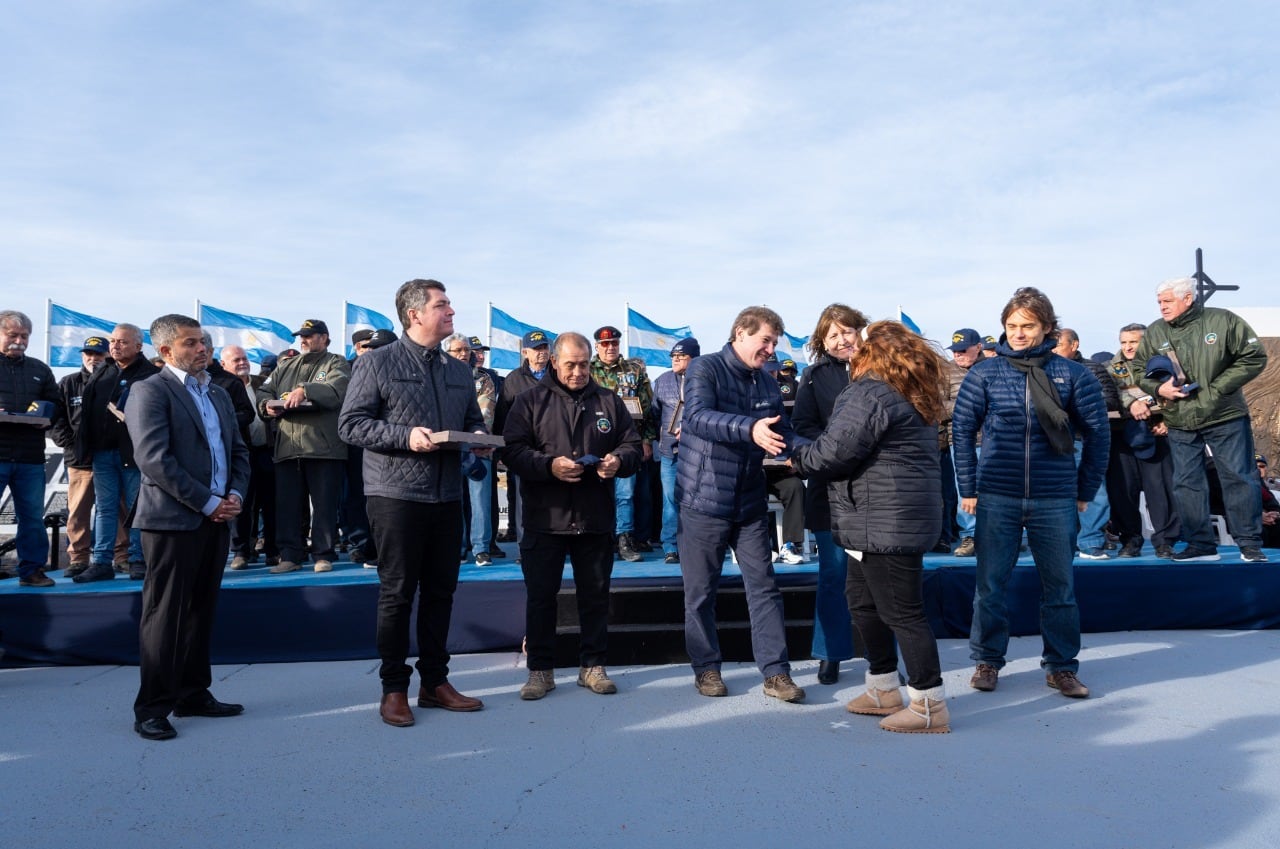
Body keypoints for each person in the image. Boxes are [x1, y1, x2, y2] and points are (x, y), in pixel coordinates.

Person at [339, 278, 489, 727]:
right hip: (395, 495)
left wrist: (479, 437)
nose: (451, 312)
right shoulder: (378, 362)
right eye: (442, 305)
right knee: (397, 594)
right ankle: (393, 688)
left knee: (442, 592)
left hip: (446, 494)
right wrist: (405, 436)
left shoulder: (460, 370)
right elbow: (351, 425)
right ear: (414, 314)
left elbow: (472, 419)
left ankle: (435, 682)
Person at [792, 320, 950, 732]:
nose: (851, 351)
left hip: (886, 521)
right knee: (863, 603)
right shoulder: (908, 390)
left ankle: (929, 704)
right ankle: (883, 687)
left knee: (902, 613)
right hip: (875, 519)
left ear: (872, 353)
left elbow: (834, 451)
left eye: (858, 345)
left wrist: (794, 457)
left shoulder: (871, 391)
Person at [953, 287, 1109, 699]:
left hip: (1054, 497)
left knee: (1060, 587)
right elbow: (963, 431)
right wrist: (968, 487)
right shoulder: (984, 373)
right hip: (997, 496)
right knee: (990, 585)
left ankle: (1061, 666)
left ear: (1047, 328)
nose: (1018, 333)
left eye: (1028, 326)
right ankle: (988, 660)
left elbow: (1098, 434)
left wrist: (1085, 489)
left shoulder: (1074, 375)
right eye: (1011, 326)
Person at [127, 314, 250, 740]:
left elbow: (238, 450)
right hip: (172, 521)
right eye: (192, 343)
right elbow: (154, 459)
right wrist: (208, 501)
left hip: (216, 519)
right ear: (165, 351)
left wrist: (234, 495)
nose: (203, 349)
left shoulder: (216, 394)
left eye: (205, 342)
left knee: (201, 610)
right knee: (165, 615)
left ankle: (194, 693)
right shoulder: (149, 391)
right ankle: (153, 707)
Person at [503, 332, 642, 699]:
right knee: (541, 597)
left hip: (594, 516)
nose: (579, 372)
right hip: (544, 517)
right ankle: (540, 671)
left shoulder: (609, 401)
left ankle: (592, 666)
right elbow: (512, 451)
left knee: (594, 596)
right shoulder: (529, 401)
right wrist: (549, 467)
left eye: (583, 364)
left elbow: (632, 445)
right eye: (570, 365)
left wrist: (618, 461)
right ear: (554, 362)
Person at [677, 305, 806, 703]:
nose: (770, 349)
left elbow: (784, 434)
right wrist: (747, 428)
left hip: (749, 502)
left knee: (765, 588)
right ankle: (707, 669)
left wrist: (820, 453)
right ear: (740, 333)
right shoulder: (705, 369)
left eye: (774, 343)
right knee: (700, 593)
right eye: (765, 340)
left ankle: (776, 673)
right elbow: (698, 418)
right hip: (703, 501)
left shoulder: (767, 384)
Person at [1133, 277, 1269, 563]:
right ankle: (1201, 545)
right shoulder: (1156, 331)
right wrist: (1159, 388)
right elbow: (1138, 368)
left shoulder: (1223, 321)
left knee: (1238, 478)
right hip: (1179, 418)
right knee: (1186, 482)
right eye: (1159, 302)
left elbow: (1253, 356)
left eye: (1167, 301)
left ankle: (1249, 544)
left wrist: (1216, 390)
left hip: (1225, 414)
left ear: (1187, 298)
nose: (1162, 307)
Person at [792, 303, 868, 684]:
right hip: (830, 488)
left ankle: (888, 654)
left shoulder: (882, 368)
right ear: (823, 342)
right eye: (832, 334)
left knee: (881, 578)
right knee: (833, 574)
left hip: (877, 491)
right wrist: (829, 451)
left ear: (859, 331)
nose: (842, 340)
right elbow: (801, 425)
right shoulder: (814, 376)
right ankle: (831, 653)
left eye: (847, 331)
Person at [259, 319, 350, 573]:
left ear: (324, 337)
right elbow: (264, 390)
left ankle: (323, 554)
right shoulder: (286, 366)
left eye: (309, 335)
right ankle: (290, 555)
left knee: (323, 506)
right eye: (302, 336)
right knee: (287, 506)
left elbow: (336, 390)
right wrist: (264, 406)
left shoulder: (336, 362)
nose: (304, 340)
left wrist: (306, 390)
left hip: (324, 449)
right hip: (288, 449)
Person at [73, 322, 160, 582]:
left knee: (137, 508)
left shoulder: (149, 374)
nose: (115, 345)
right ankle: (101, 562)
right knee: (105, 508)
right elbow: (87, 413)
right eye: (113, 341)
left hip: (135, 454)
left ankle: (138, 559)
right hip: (102, 453)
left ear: (138, 345)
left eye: (122, 341)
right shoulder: (103, 372)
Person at [1107, 323, 1180, 558]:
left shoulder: (1166, 363)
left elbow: (1180, 393)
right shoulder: (1110, 368)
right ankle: (1130, 540)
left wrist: (1168, 421)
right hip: (1121, 437)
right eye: (1123, 342)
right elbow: (1109, 392)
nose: (1127, 347)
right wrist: (1132, 402)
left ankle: (1164, 542)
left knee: (1161, 493)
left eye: (1133, 342)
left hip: (1156, 434)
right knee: (1122, 493)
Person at [0, 309, 61, 588]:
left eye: (24, 336)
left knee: (32, 519)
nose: (19, 340)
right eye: (12, 334)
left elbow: (56, 406)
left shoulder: (40, 369)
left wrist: (47, 419)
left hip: (30, 457)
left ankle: (32, 571)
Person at [590, 325, 657, 562]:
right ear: (597, 346)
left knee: (626, 493)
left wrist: (647, 440)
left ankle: (624, 537)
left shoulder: (634, 370)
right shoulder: (586, 371)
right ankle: (599, 539)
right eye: (605, 344)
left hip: (627, 440)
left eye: (614, 344)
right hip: (594, 441)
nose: (610, 348)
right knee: (594, 492)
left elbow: (648, 409)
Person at [1053, 328, 1121, 559]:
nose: (1053, 350)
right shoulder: (1044, 370)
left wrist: (1072, 401)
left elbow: (1110, 400)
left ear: (1074, 345)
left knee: (1093, 492)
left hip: (1084, 439)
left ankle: (1091, 541)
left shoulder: (1092, 368)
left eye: (1058, 345)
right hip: (1054, 443)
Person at [50, 336, 114, 578]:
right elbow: (55, 421)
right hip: (79, 461)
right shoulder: (68, 383)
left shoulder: (114, 380)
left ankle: (120, 556)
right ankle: (78, 558)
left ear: (107, 356)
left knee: (115, 510)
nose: (93, 358)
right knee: (78, 511)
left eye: (98, 354)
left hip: (110, 457)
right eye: (89, 353)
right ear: (82, 355)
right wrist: (72, 445)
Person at [220, 345, 279, 569]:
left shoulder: (260, 382)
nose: (242, 362)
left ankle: (273, 550)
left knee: (271, 503)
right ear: (224, 364)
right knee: (241, 504)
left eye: (244, 358)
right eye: (236, 360)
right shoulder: (220, 386)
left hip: (266, 450)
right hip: (239, 454)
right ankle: (241, 552)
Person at [443, 333, 499, 566]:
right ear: (447, 353)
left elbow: (485, 413)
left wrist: (474, 437)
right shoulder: (438, 377)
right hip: (448, 448)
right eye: (458, 350)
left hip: (477, 448)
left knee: (480, 501)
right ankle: (456, 547)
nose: (464, 354)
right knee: (451, 501)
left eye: (466, 350)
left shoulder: (484, 379)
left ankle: (481, 548)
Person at [493, 330, 552, 549]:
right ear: (525, 352)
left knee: (553, 498)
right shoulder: (513, 379)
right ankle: (525, 545)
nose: (541, 353)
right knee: (521, 497)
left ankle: (553, 543)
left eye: (544, 348)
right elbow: (502, 416)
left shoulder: (557, 375)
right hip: (524, 449)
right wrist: (502, 450)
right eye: (536, 350)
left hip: (554, 446)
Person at [651, 337, 700, 564]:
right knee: (670, 499)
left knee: (695, 499)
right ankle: (670, 546)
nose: (675, 359)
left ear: (694, 358)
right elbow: (654, 414)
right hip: (669, 452)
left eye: (681, 356)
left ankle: (693, 544)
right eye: (673, 356)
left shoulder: (705, 380)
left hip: (697, 452)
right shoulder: (661, 381)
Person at [945, 328, 985, 557]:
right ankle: (969, 536)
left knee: (996, 491)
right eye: (955, 351)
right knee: (965, 494)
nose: (958, 355)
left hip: (992, 441)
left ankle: (999, 537)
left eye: (963, 350)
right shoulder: (945, 373)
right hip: (959, 442)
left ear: (978, 347)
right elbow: (935, 405)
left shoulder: (992, 369)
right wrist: (968, 406)